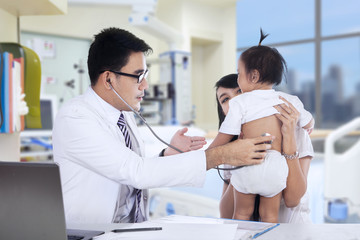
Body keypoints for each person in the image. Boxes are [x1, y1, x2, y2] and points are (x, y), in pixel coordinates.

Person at [52, 27, 275, 224]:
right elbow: (135, 172)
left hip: (129, 230)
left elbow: (128, 168)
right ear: (109, 79)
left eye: (145, 74)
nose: (145, 85)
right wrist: (222, 155)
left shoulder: (124, 113)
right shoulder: (75, 118)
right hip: (91, 234)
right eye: (138, 76)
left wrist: (167, 154)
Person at [209, 30, 314, 223]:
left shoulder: (294, 128)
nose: (234, 101)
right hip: (274, 165)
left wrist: (208, 154)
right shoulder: (289, 101)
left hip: (293, 230)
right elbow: (309, 121)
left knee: (241, 215)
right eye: (225, 99)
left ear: (253, 77)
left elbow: (292, 200)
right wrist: (235, 152)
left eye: (239, 88)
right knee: (269, 217)